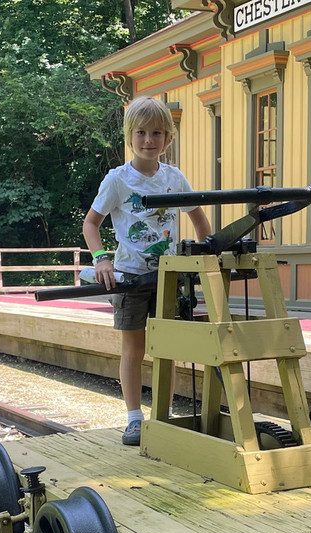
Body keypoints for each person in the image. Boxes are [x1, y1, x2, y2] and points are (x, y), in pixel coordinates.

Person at [83, 96, 212, 446]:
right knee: (133, 348)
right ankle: (134, 418)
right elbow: (91, 224)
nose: (148, 140)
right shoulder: (118, 180)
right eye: (141, 132)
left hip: (169, 276)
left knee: (167, 349)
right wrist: (101, 258)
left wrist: (209, 253)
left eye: (156, 133)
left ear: (168, 138)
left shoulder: (175, 178)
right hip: (130, 275)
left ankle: (163, 417)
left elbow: (199, 218)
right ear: (130, 136)